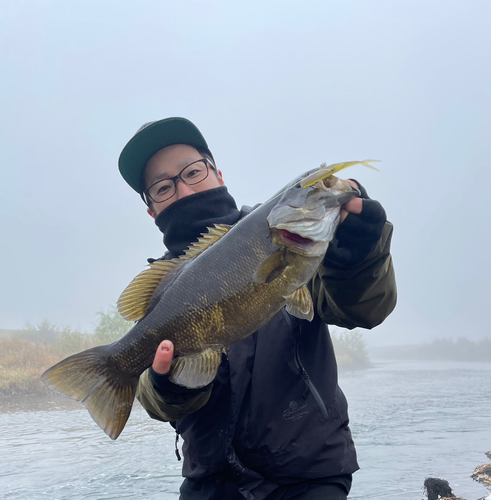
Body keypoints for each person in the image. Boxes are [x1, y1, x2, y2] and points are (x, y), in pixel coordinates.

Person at [118, 117, 397, 500]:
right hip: (211, 483)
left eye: (193, 172)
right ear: (152, 210)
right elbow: (155, 401)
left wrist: (361, 254)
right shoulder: (163, 287)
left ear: (218, 174)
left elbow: (362, 310)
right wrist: (168, 384)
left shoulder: (285, 240)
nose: (183, 190)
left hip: (308, 477)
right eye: (164, 187)